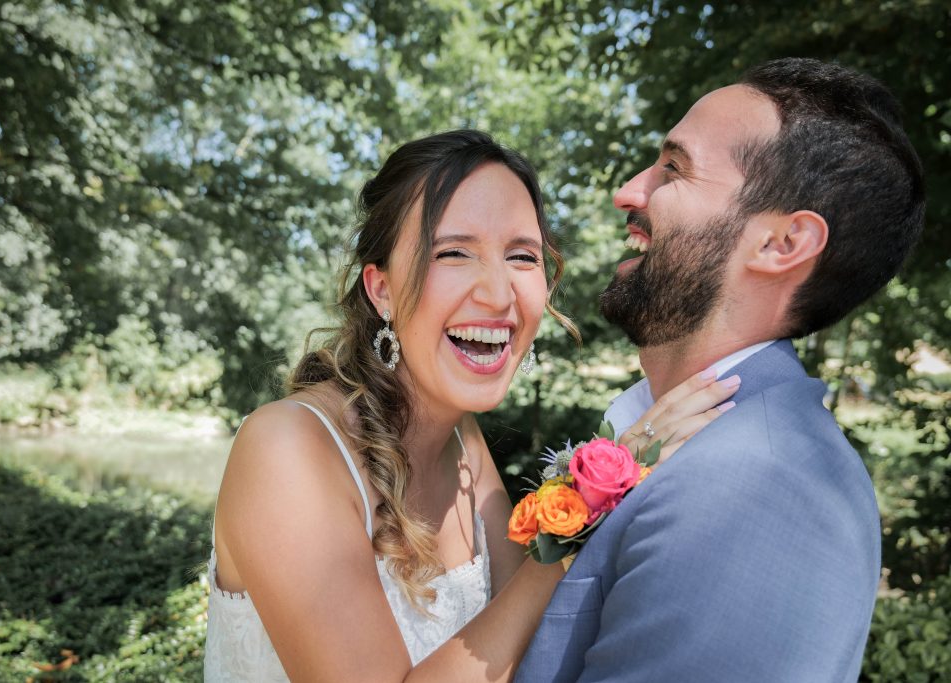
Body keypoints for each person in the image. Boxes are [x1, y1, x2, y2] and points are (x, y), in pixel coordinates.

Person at [203, 130, 740, 681]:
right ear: (381, 289)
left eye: (522, 256)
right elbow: (533, 596)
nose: (499, 293)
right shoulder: (287, 450)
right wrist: (583, 517)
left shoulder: (463, 442)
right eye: (454, 252)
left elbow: (534, 643)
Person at [516, 58, 926, 682]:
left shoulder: (759, 488)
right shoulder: (687, 441)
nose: (628, 191)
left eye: (673, 169)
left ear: (781, 245)